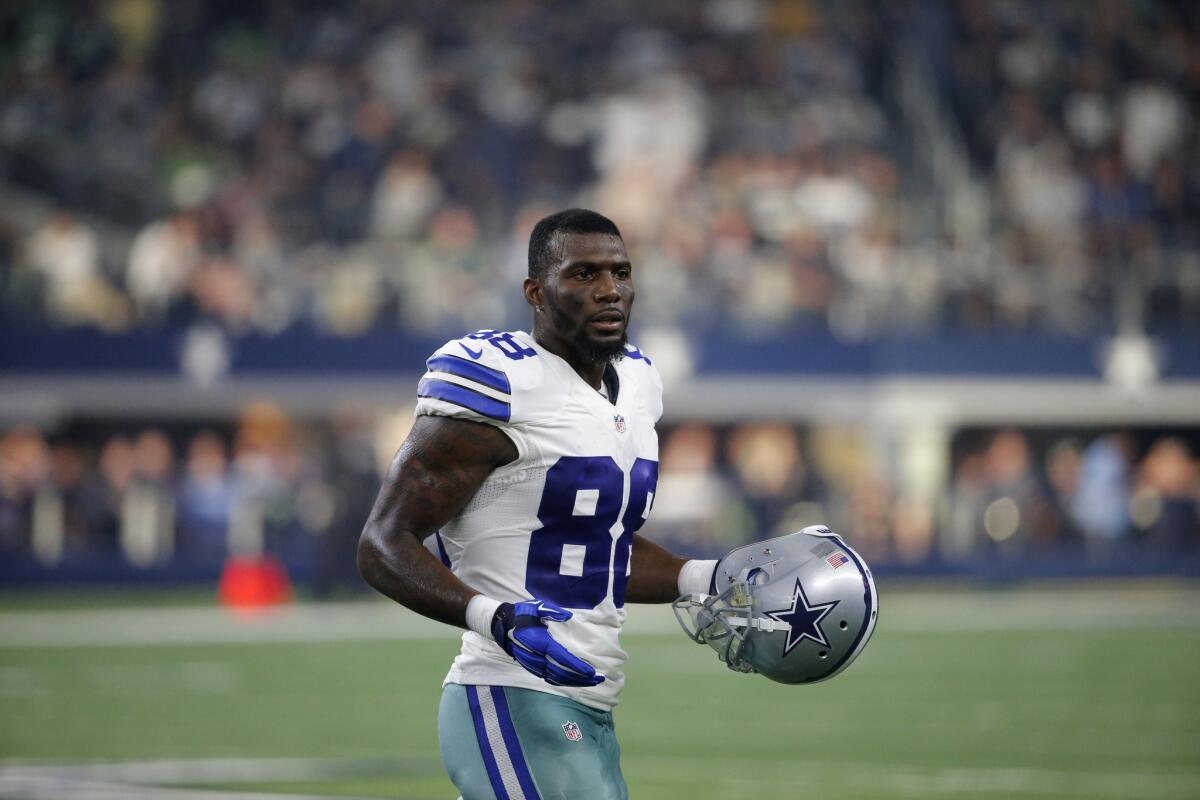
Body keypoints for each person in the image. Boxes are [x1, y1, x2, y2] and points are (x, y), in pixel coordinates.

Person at [358, 208, 718, 799]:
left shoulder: (639, 382)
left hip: (591, 704)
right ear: (536, 293)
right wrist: (493, 618)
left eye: (620, 273)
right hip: (507, 692)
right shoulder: (501, 382)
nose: (608, 291)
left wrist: (706, 575)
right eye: (582, 275)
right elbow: (381, 543)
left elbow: (597, 550)